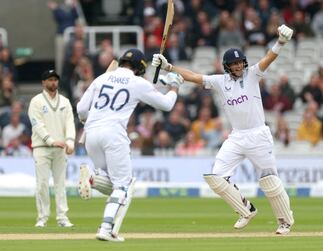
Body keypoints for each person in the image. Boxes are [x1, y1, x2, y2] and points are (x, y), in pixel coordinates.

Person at [152, 24, 295, 234]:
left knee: (269, 181)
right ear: (227, 66)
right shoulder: (220, 81)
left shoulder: (253, 74)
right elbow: (192, 76)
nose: (238, 66)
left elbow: (268, 58)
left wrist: (281, 42)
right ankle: (246, 210)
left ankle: (285, 221)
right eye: (233, 64)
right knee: (216, 178)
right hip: (236, 137)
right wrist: (169, 67)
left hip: (258, 135)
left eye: (240, 63)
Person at [76, 48, 183, 242]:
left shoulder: (101, 78)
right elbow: (166, 105)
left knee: (116, 186)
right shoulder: (138, 82)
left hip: (91, 133)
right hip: (114, 135)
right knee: (123, 185)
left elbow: (81, 108)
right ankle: (106, 228)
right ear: (140, 68)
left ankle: (93, 179)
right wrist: (174, 87)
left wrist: (86, 121)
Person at [28, 70, 76, 228]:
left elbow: (70, 124)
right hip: (41, 148)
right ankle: (42, 218)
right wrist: (51, 141)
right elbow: (37, 125)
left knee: (60, 184)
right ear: (43, 83)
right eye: (50, 80)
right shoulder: (36, 101)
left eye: (55, 80)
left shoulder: (65, 101)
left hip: (61, 148)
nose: (53, 82)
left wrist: (70, 142)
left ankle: (62, 217)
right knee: (42, 183)